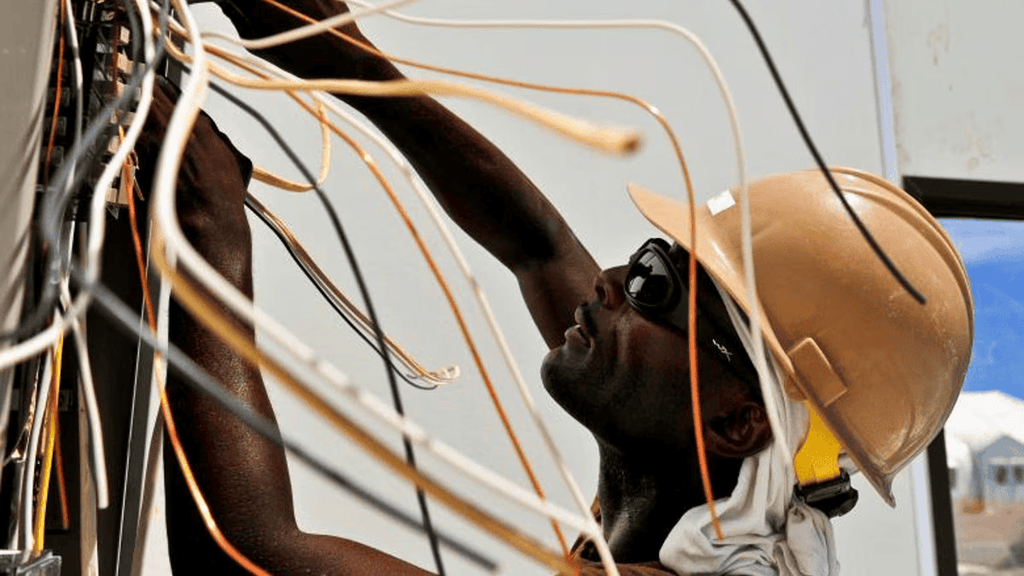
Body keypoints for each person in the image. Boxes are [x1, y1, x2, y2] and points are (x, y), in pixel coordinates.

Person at [141, 1, 975, 574]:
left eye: (653, 287)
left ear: (733, 418)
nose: (611, 280)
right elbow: (537, 246)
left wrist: (209, 232)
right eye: (648, 255)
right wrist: (339, 55)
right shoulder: (687, 503)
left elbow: (244, 553)